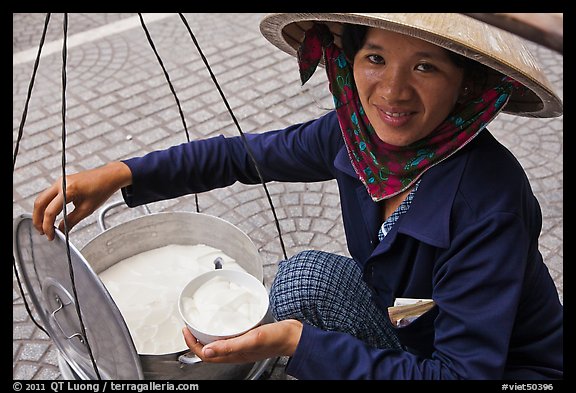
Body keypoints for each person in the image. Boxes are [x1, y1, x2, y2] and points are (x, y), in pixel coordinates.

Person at [32, 13, 563, 380]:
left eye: (426, 66)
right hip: (411, 323)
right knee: (303, 276)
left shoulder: (487, 203)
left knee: (295, 325)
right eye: (376, 57)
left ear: (467, 85)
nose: (393, 90)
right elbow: (244, 156)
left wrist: (297, 344)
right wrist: (122, 173)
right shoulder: (357, 139)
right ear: (348, 62)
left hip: (492, 368)